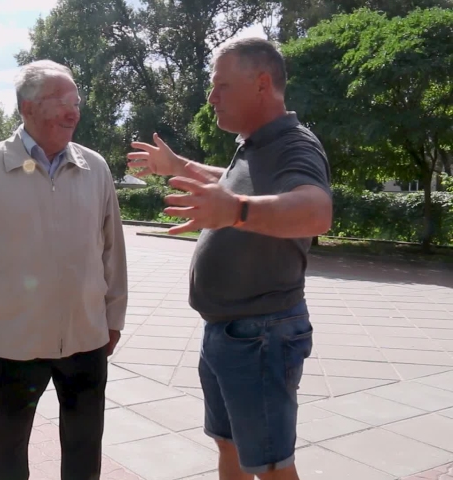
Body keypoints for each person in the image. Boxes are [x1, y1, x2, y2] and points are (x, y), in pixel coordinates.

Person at [128, 38, 332, 480]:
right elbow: (234, 182)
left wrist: (237, 211)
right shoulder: (255, 145)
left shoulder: (294, 144)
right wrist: (178, 166)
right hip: (231, 330)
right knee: (230, 445)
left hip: (262, 334)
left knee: (271, 466)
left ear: (262, 84)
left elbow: (317, 210)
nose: (211, 97)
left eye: (221, 86)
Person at [0, 59, 128, 480]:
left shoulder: (95, 168)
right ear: (27, 107)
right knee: (6, 456)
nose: (73, 112)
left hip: (86, 338)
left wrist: (113, 318)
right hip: (15, 343)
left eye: (76, 102)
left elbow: (112, 251)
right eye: (62, 102)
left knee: (84, 451)